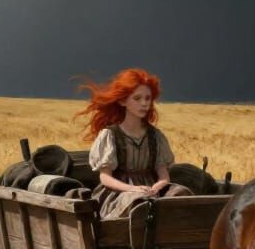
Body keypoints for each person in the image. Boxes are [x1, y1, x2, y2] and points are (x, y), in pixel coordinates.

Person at [78, 68, 193, 218]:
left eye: (148, 98)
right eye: (137, 98)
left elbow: (164, 176)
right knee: (139, 202)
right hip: (119, 193)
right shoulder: (110, 135)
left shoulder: (155, 136)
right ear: (123, 101)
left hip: (151, 190)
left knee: (181, 193)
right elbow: (105, 178)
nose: (144, 103)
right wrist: (132, 189)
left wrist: (157, 187)